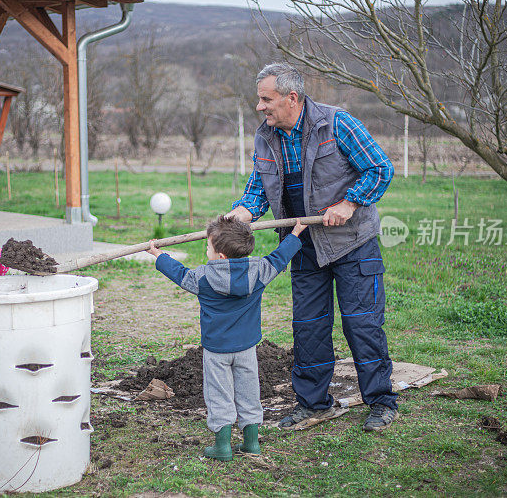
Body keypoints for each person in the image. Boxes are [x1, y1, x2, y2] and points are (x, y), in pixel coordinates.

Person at [226, 62, 398, 432]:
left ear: (292, 98)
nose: (260, 107)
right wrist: (242, 212)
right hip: (302, 245)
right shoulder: (266, 137)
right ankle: (315, 403)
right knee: (309, 328)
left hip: (352, 243)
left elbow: (380, 169)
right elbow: (258, 188)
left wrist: (349, 203)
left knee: (362, 324)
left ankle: (381, 401)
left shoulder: (336, 124)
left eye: (266, 99)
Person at [148, 216, 307, 460]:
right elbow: (280, 257)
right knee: (249, 391)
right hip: (246, 348)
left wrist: (159, 255)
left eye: (208, 246)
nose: (206, 249)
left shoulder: (202, 278)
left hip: (216, 350)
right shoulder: (259, 272)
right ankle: (251, 443)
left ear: (220, 255)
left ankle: (222, 447)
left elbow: (179, 273)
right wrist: (295, 234)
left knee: (218, 394)